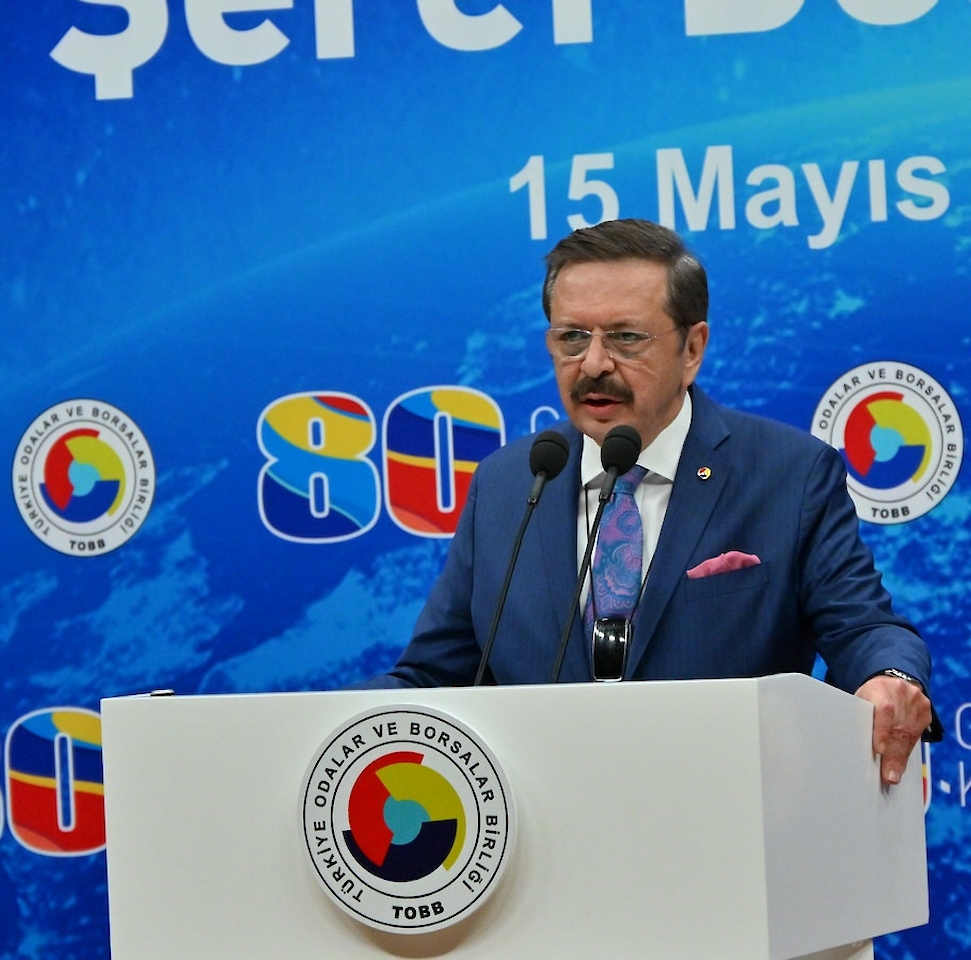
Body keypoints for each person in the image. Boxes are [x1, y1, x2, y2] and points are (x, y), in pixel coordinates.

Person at [363, 218, 941, 786]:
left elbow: (863, 627)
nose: (593, 364)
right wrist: (334, 722)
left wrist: (888, 676)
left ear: (692, 348)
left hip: (726, 812)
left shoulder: (787, 474)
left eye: (625, 338)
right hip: (543, 822)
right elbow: (432, 677)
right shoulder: (510, 484)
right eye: (572, 337)